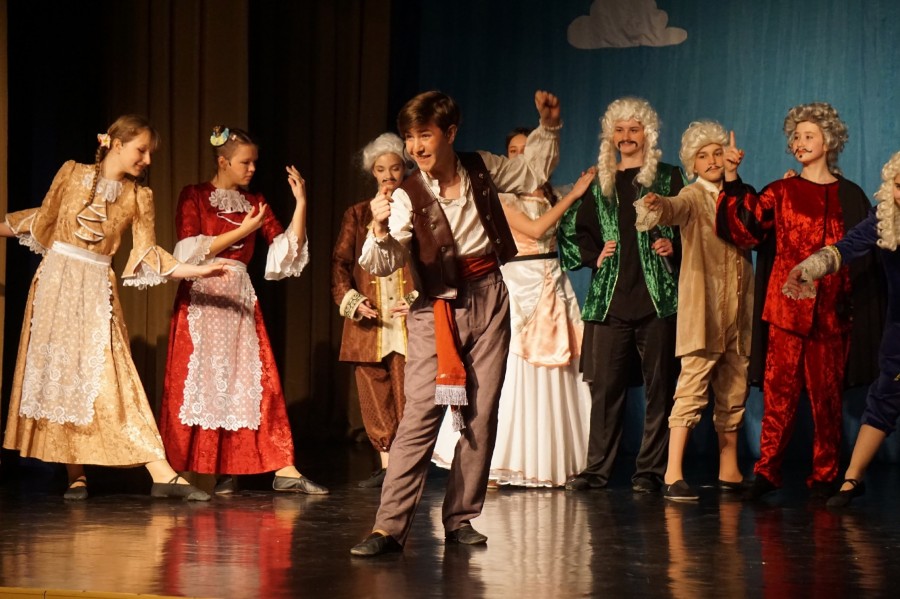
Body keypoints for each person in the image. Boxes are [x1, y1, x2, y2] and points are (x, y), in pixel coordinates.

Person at [349, 89, 561, 556]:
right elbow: (386, 260)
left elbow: (532, 172)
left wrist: (547, 128)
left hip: (489, 295)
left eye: (424, 136)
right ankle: (388, 528)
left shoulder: (480, 167)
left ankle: (461, 518)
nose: (415, 147)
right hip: (435, 307)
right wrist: (379, 231)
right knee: (419, 417)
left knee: (481, 414)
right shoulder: (406, 195)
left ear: (449, 133)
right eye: (409, 138)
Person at [1, 115, 223, 501]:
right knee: (62, 379)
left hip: (96, 288)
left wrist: (197, 270)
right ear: (117, 144)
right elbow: (45, 218)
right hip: (54, 286)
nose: (147, 160)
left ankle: (160, 471)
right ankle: (76, 473)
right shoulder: (71, 173)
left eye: (150, 154)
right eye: (141, 150)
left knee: (113, 377)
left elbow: (148, 253)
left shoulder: (139, 196)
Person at [716, 103, 883, 501]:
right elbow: (744, 228)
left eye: (809, 135)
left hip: (832, 315)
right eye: (796, 136)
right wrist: (731, 177)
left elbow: (866, 253)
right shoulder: (781, 190)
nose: (800, 142)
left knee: (827, 401)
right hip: (786, 313)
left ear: (829, 141)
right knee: (779, 397)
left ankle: (826, 473)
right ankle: (767, 471)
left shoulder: (851, 195)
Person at [157, 126, 328, 496]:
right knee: (201, 385)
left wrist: (301, 203)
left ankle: (283, 469)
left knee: (252, 385)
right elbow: (188, 251)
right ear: (223, 162)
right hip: (202, 295)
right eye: (244, 163)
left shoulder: (255, 201)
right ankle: (202, 468)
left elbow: (285, 250)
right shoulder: (194, 195)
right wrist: (242, 230)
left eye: (254, 163)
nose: (252, 169)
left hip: (238, 298)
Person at [431, 131, 594, 488]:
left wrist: (584, 187)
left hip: (552, 279)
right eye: (514, 152)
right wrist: (574, 196)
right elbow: (535, 230)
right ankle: (496, 462)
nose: (522, 157)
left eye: (527, 150)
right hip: (520, 283)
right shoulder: (500, 198)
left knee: (557, 370)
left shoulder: (553, 194)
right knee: (512, 370)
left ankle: (551, 460)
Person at [564, 97, 683, 494]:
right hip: (611, 300)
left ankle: (650, 470)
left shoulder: (668, 177)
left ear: (647, 134)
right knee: (606, 389)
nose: (627, 136)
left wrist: (673, 246)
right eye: (620, 129)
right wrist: (593, 256)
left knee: (660, 387)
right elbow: (572, 230)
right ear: (610, 136)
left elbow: (692, 226)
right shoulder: (601, 181)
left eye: (634, 129)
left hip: (657, 298)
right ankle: (596, 469)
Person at [635, 122, 754, 500]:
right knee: (691, 390)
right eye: (703, 156)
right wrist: (658, 204)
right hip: (703, 311)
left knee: (734, 389)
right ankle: (673, 473)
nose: (712, 161)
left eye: (718, 153)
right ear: (693, 164)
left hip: (738, 311)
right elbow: (674, 208)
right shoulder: (693, 195)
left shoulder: (739, 196)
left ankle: (729, 470)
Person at [782, 151, 899, 508]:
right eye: (899, 185)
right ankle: (853, 478)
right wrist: (808, 268)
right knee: (884, 397)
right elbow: (845, 248)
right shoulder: (885, 218)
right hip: (899, 329)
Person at [332, 132, 416, 488]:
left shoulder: (416, 209)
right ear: (372, 172)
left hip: (407, 321)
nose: (388, 176)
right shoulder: (357, 213)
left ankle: (408, 467)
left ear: (404, 169)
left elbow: (431, 262)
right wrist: (352, 300)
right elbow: (340, 264)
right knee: (375, 395)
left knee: (409, 394)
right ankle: (386, 466)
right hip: (370, 324)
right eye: (381, 169)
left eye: (394, 168)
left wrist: (416, 299)